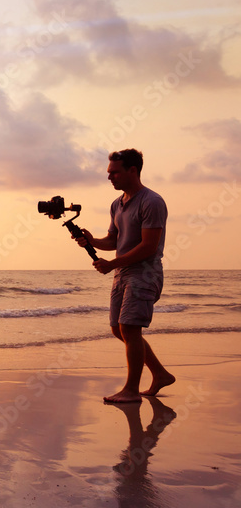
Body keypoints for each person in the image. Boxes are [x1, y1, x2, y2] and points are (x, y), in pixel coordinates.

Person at [75, 148, 176, 403]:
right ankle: (160, 374)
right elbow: (113, 240)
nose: (110, 177)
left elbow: (149, 246)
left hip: (144, 272)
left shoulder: (151, 201)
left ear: (133, 170)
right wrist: (92, 241)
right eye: (109, 173)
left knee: (130, 328)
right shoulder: (116, 204)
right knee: (118, 330)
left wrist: (113, 263)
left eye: (115, 172)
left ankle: (131, 390)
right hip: (122, 272)